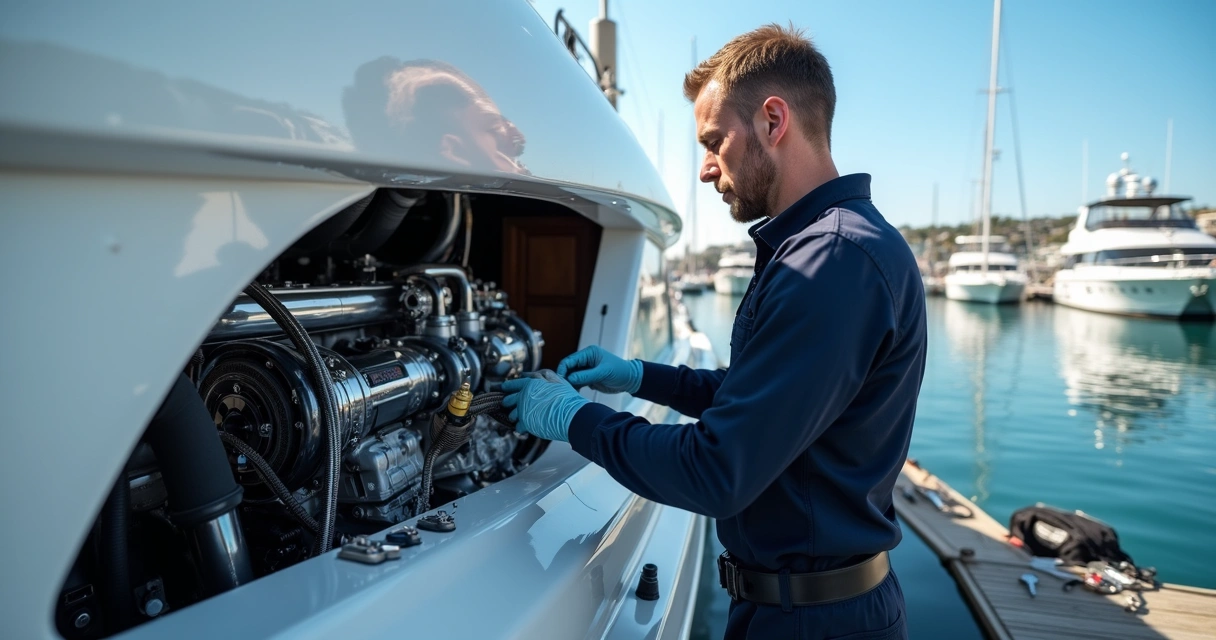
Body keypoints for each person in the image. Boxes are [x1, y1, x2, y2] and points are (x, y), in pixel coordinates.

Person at [503, 24, 926, 640]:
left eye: (712, 141)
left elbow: (716, 472)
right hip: (802, 608)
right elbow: (762, 397)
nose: (705, 169)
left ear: (773, 120)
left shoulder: (830, 262)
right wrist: (641, 375)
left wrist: (573, 420)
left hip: (812, 622)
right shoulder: (830, 247)